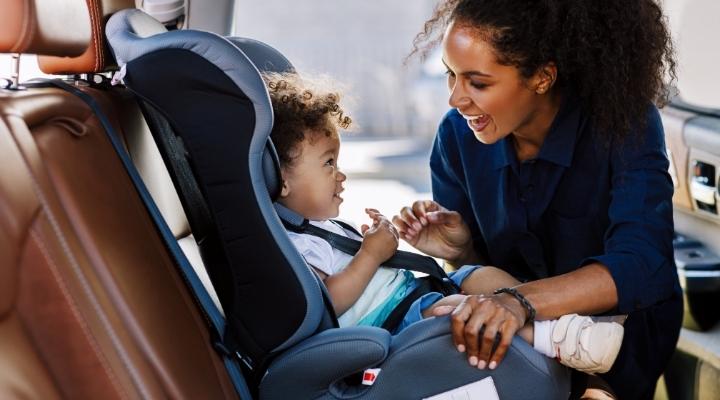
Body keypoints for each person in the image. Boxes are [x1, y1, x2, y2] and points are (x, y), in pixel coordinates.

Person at [394, 0, 682, 399]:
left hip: (614, 338)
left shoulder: (623, 123)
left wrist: (520, 302)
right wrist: (462, 252)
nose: (456, 99)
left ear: (543, 77)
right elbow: (480, 278)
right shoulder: (456, 137)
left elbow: (642, 265)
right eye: (450, 75)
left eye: (478, 83)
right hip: (516, 338)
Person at [265, 71, 625, 375]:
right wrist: (370, 256)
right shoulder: (292, 245)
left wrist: (375, 244)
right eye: (328, 164)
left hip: (413, 295)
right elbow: (327, 303)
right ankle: (556, 342)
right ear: (280, 179)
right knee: (460, 311)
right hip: (393, 323)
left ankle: (557, 323)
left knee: (476, 275)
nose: (340, 175)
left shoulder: (321, 228)